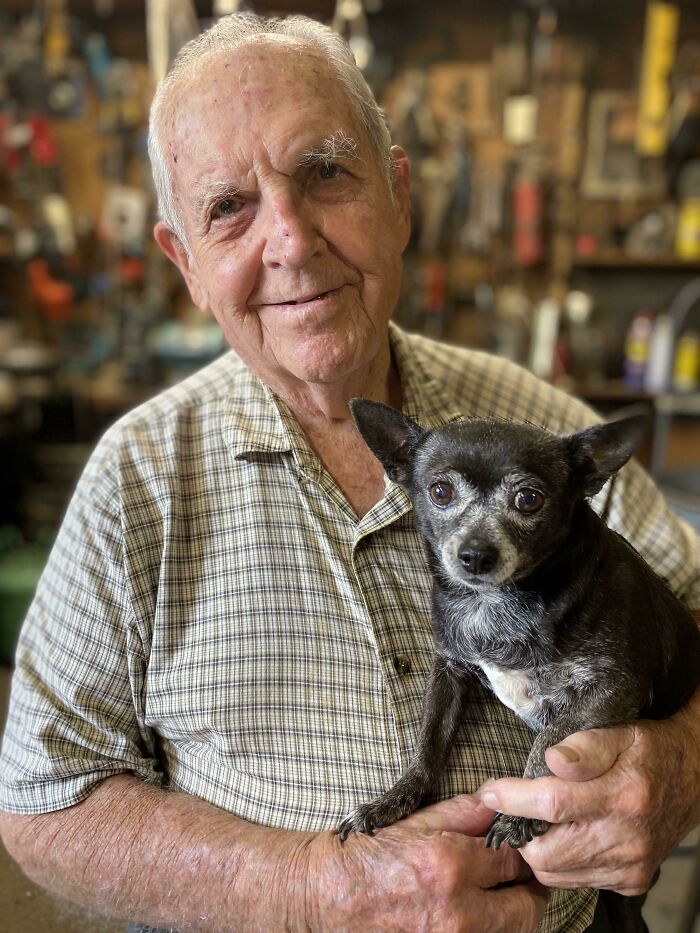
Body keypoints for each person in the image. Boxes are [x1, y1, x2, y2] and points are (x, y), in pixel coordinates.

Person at [0, 13, 698, 933]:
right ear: (186, 265)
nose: (290, 240)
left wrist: (679, 765)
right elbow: (42, 801)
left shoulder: (548, 433)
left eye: (325, 173)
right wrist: (310, 890)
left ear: (399, 197)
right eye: (228, 207)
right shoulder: (137, 481)